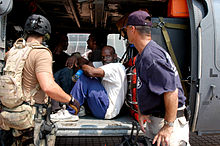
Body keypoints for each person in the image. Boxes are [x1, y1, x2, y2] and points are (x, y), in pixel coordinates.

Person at [0, 14, 80, 145]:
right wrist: (70, 100)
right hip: (30, 118)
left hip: (9, 114)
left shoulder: (12, 52)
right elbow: (48, 86)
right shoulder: (41, 53)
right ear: (46, 34)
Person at [124, 10, 190, 146]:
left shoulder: (152, 57)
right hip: (156, 120)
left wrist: (168, 126)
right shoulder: (143, 55)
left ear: (132, 29)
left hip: (167, 124)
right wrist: (142, 111)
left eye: (126, 29)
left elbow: (172, 92)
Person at [66, 45, 127, 119]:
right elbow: (89, 64)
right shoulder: (106, 64)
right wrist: (76, 57)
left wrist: (83, 68)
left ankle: (70, 111)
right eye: (102, 57)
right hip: (103, 108)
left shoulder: (116, 67)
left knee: (86, 77)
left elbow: (90, 71)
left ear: (115, 56)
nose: (105, 59)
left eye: (108, 56)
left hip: (106, 110)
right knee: (84, 74)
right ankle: (78, 106)